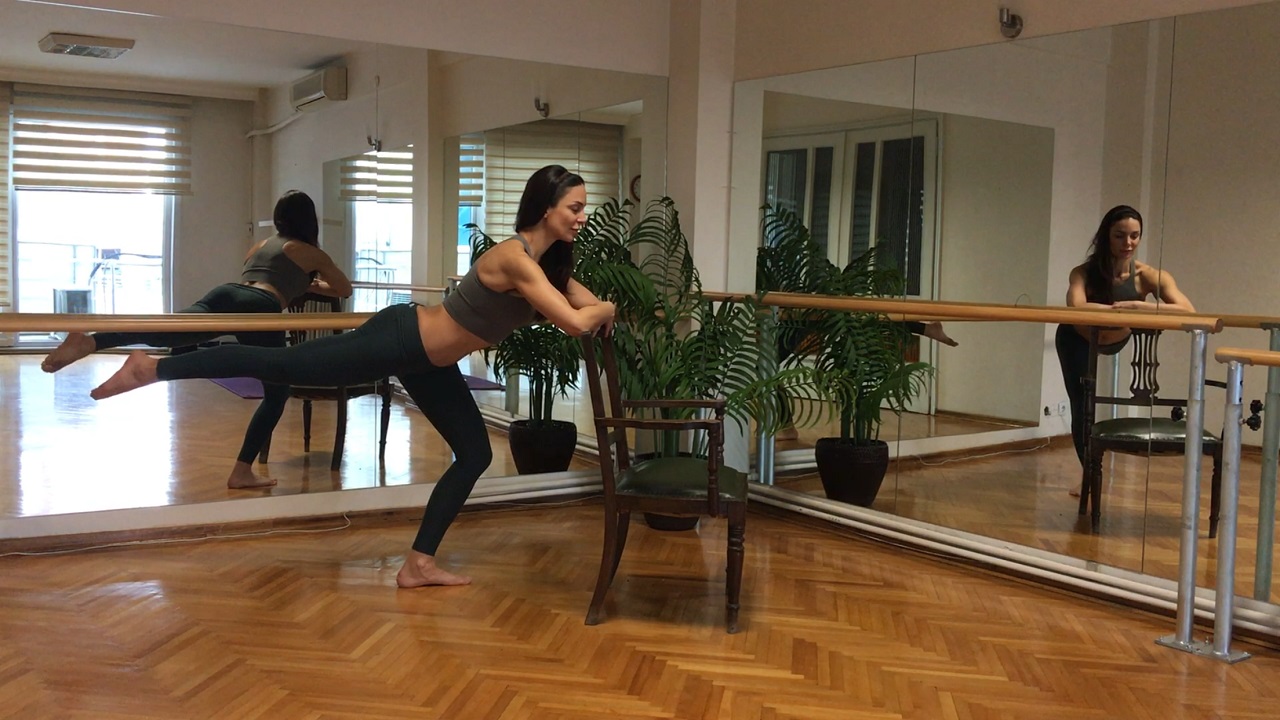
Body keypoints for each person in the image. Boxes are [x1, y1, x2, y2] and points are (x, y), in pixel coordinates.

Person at [89, 165, 617, 588]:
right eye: (574, 207)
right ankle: (153, 367)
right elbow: (579, 321)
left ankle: (418, 564)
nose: (582, 216)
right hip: (401, 337)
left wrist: (602, 309)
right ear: (545, 208)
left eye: (583, 208)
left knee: (475, 454)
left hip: (430, 362)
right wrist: (604, 309)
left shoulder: (549, 269)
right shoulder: (515, 258)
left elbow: (589, 308)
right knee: (279, 365)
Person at [41, 190, 352, 489]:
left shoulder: (262, 244)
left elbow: (268, 275)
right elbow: (343, 289)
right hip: (261, 306)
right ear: (309, 220)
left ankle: (91, 342)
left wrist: (300, 282)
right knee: (277, 393)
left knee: (169, 331)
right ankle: (242, 471)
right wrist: (312, 283)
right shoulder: (310, 252)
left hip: (227, 292)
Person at [1055, 204, 1195, 475]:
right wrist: (1118, 310)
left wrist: (1138, 306)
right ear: (1106, 236)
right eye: (1119, 236)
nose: (1128, 243)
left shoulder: (1148, 275)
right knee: (1081, 404)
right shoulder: (1083, 272)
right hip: (1077, 337)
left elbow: (1188, 310)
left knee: (1085, 402)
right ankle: (1090, 476)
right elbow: (1076, 307)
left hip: (1116, 338)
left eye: (1134, 235)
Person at [774, 320, 958, 441]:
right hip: (788, 315)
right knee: (766, 370)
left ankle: (786, 426)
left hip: (793, 314)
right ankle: (786, 426)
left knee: (860, 320)